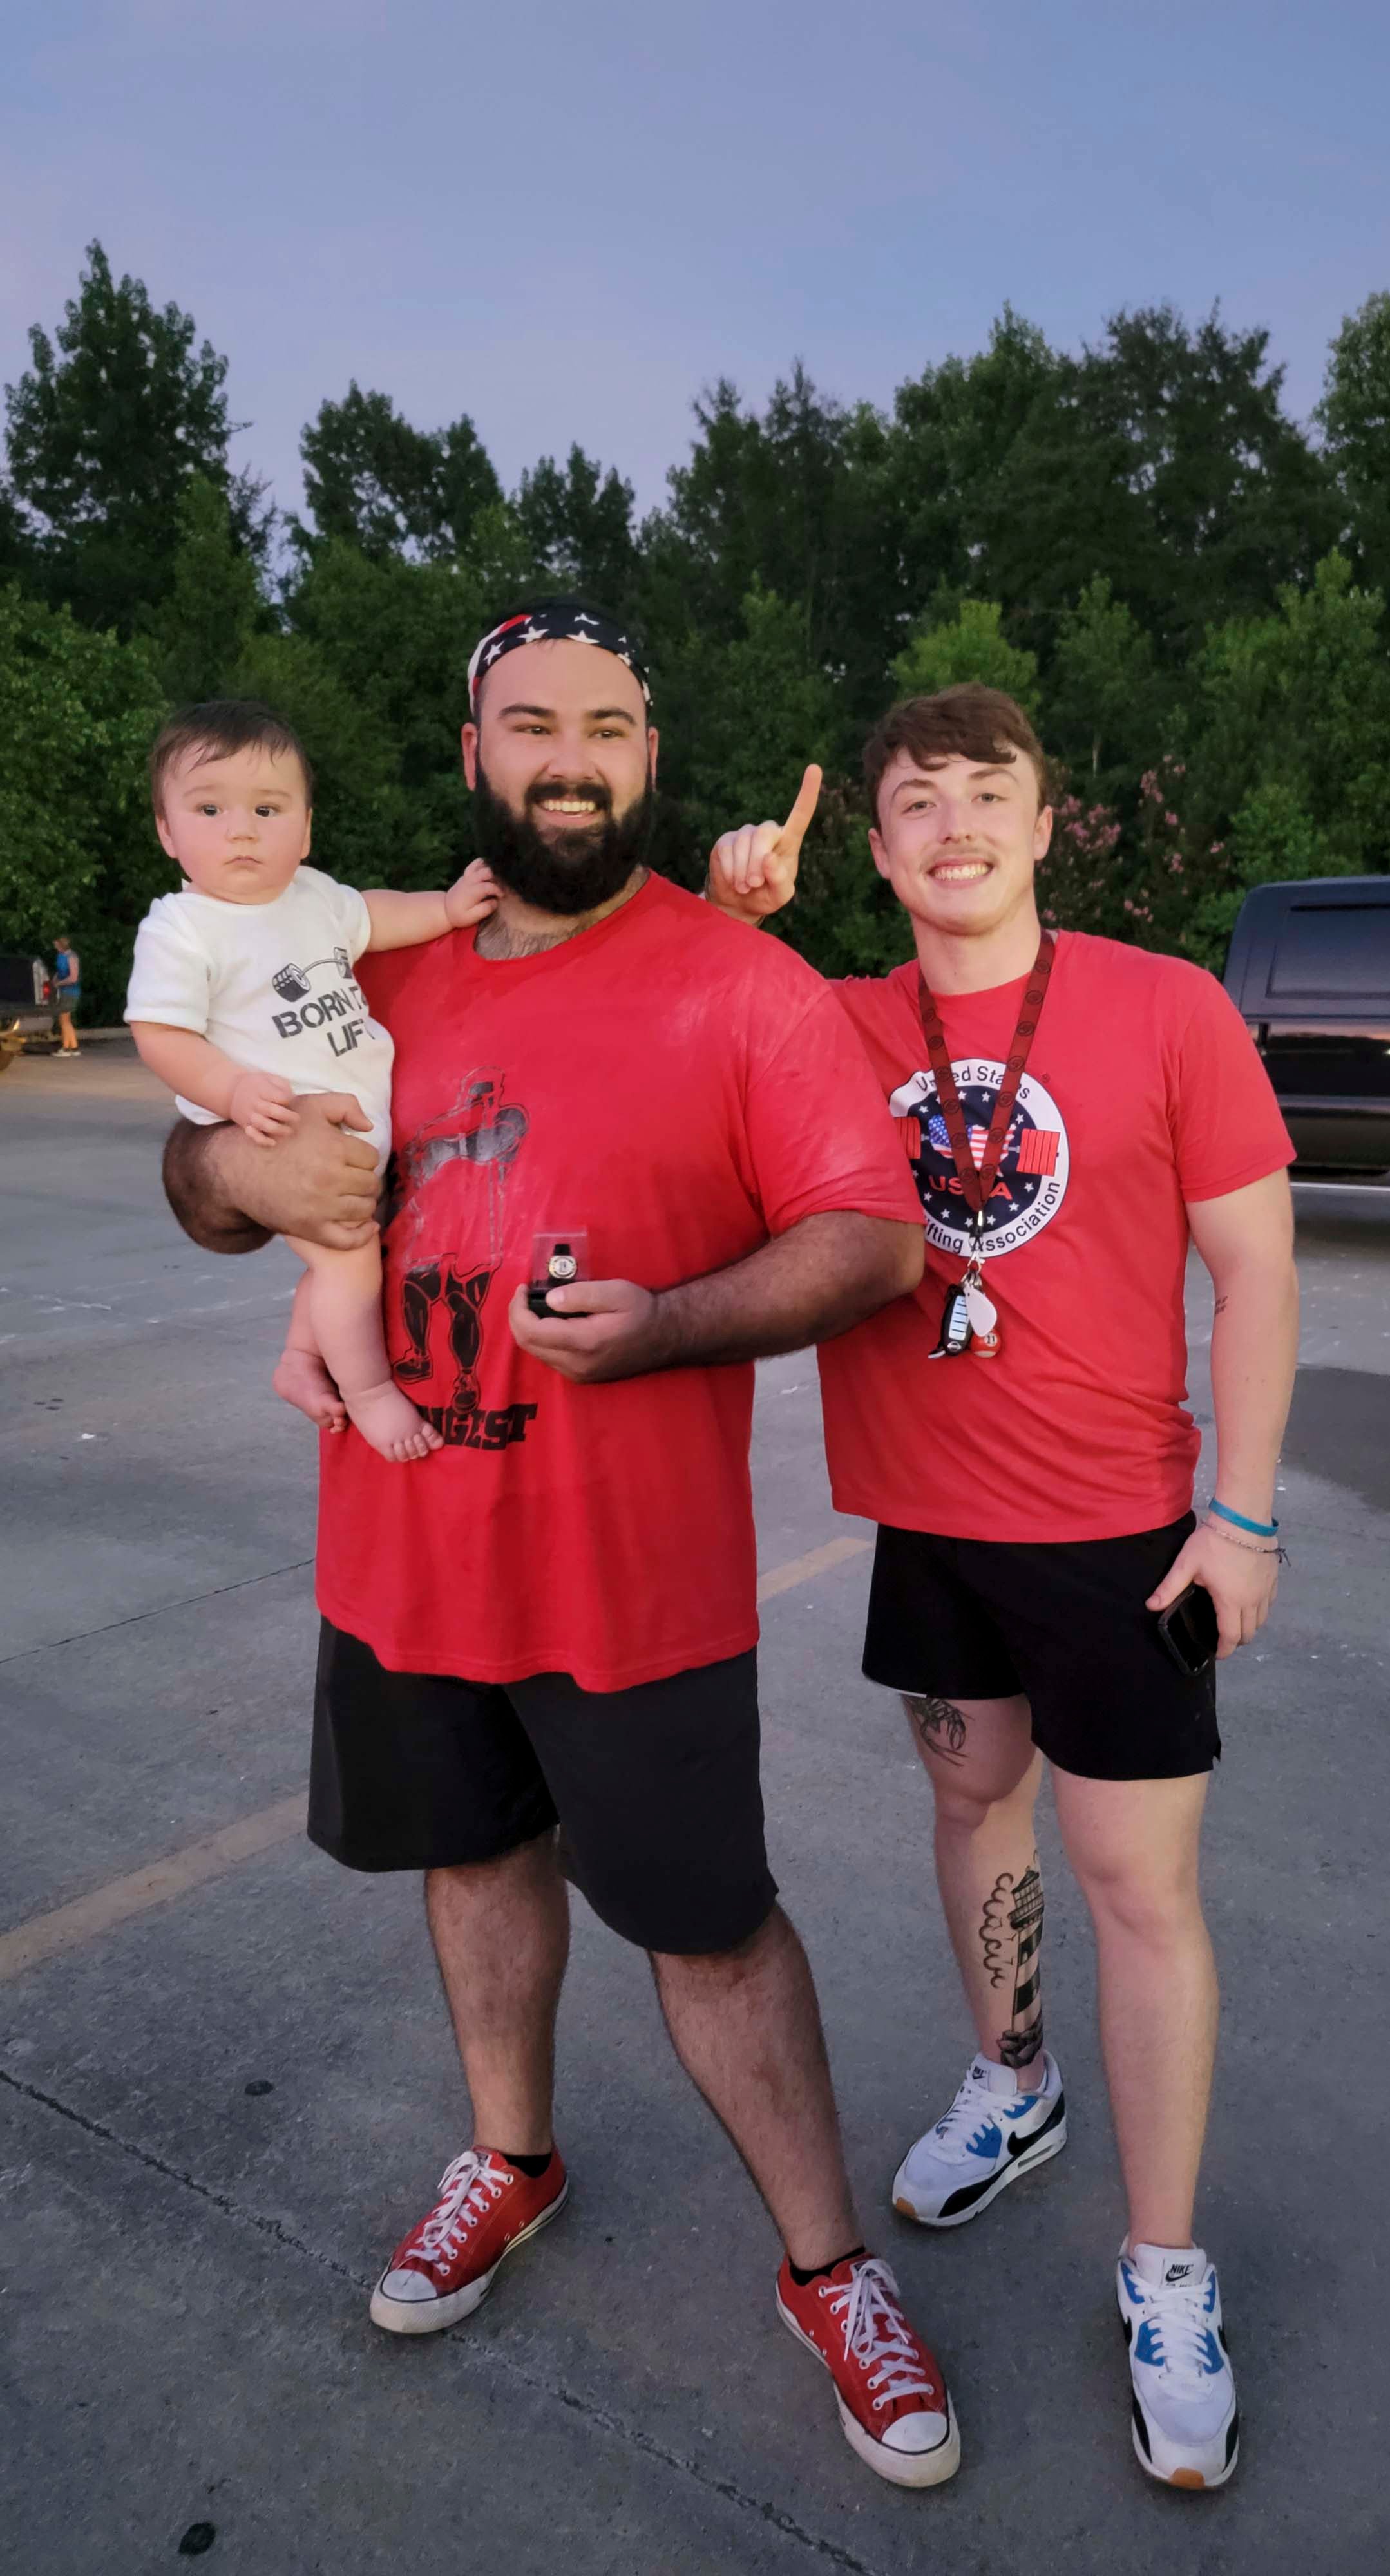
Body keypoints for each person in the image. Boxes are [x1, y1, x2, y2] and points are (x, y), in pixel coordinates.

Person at [158, 600, 962, 2491]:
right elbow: (201, 1159)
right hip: (406, 1563)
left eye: (609, 721)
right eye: (531, 721)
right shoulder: (359, 963)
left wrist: (670, 1319)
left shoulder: (736, 985)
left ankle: (828, 2267)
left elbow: (872, 1235)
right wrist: (230, 1174)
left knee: (710, 1931)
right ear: (472, 755)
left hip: (636, 1586)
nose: (572, 753)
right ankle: (509, 2157)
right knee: (472, 1862)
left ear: (650, 761)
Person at [707, 681, 1299, 2494]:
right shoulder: (823, 1017)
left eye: (988, 792)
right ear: (872, 848)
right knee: (971, 1801)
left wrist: (1245, 1515)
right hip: (930, 1526)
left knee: (1136, 1883)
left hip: (1123, 1539)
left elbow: (1254, 1277)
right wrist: (726, 926)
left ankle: (1164, 2269)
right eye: (913, 799)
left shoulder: (1166, 1005)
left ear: (1046, 826)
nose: (951, 821)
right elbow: (679, 1062)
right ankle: (1014, 2081)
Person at [126, 701, 495, 1463]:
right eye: (209, 808)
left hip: (358, 1137)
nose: (242, 829)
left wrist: (449, 907)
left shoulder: (313, 898)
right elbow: (159, 1031)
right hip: (281, 1130)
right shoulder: (183, 927)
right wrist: (229, 1091)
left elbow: (374, 916)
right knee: (349, 1257)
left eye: (268, 808)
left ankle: (299, 1360)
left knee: (351, 1258)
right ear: (167, 832)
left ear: (306, 828)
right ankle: (368, 1393)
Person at [52, 936, 81, 1056]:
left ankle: (65, 1048)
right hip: (64, 991)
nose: (55, 947)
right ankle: (73, 1048)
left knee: (64, 1020)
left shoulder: (71, 957)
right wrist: (55, 979)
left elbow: (73, 978)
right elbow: (60, 971)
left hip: (70, 992)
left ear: (61, 945)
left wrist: (59, 983)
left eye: (56, 945)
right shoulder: (62, 956)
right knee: (66, 1020)